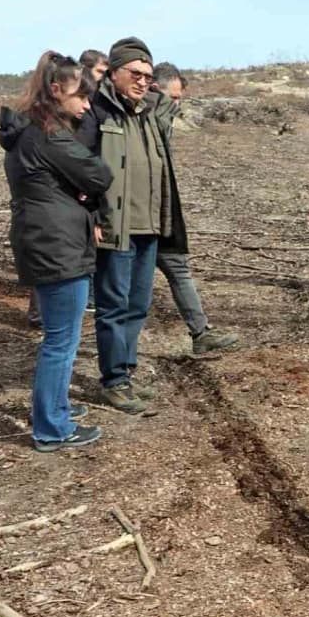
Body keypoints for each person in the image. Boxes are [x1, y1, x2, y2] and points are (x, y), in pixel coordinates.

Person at [0, 52, 112, 451]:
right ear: (55, 90)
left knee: (57, 337)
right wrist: (80, 189)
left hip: (45, 240)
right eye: (81, 96)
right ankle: (52, 428)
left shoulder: (29, 131)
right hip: (57, 246)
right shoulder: (49, 134)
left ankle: (55, 407)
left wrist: (74, 188)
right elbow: (100, 174)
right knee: (61, 341)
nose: (86, 104)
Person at [78, 37, 189, 414]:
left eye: (147, 75)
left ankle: (126, 371)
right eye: (135, 74)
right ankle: (113, 380)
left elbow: (167, 112)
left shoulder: (148, 113)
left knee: (138, 305)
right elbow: (80, 166)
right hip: (114, 227)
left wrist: (158, 96)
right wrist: (90, 214)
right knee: (113, 306)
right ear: (114, 72)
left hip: (150, 226)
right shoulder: (97, 111)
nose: (143, 81)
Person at [149, 62, 239, 354]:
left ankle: (200, 333)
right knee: (129, 294)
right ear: (154, 89)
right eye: (172, 98)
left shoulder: (163, 117)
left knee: (179, 269)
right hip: (139, 219)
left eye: (179, 98)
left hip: (163, 214)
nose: (177, 105)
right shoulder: (144, 117)